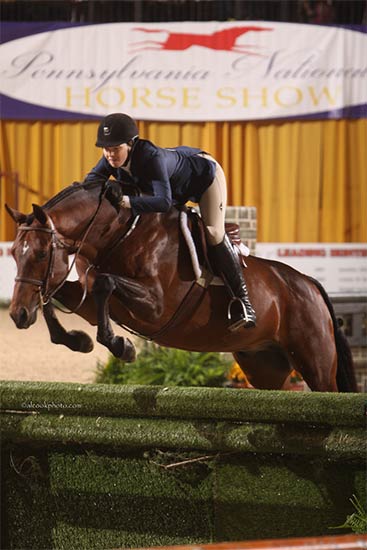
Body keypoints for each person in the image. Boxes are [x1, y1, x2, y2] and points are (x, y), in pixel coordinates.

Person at [84, 113, 256, 330]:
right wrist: (108, 186)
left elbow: (164, 202)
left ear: (130, 144)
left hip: (203, 177)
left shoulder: (150, 157)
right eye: (106, 149)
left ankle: (243, 301)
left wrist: (127, 201)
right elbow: (90, 181)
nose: (110, 154)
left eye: (115, 149)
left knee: (213, 232)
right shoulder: (111, 156)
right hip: (174, 179)